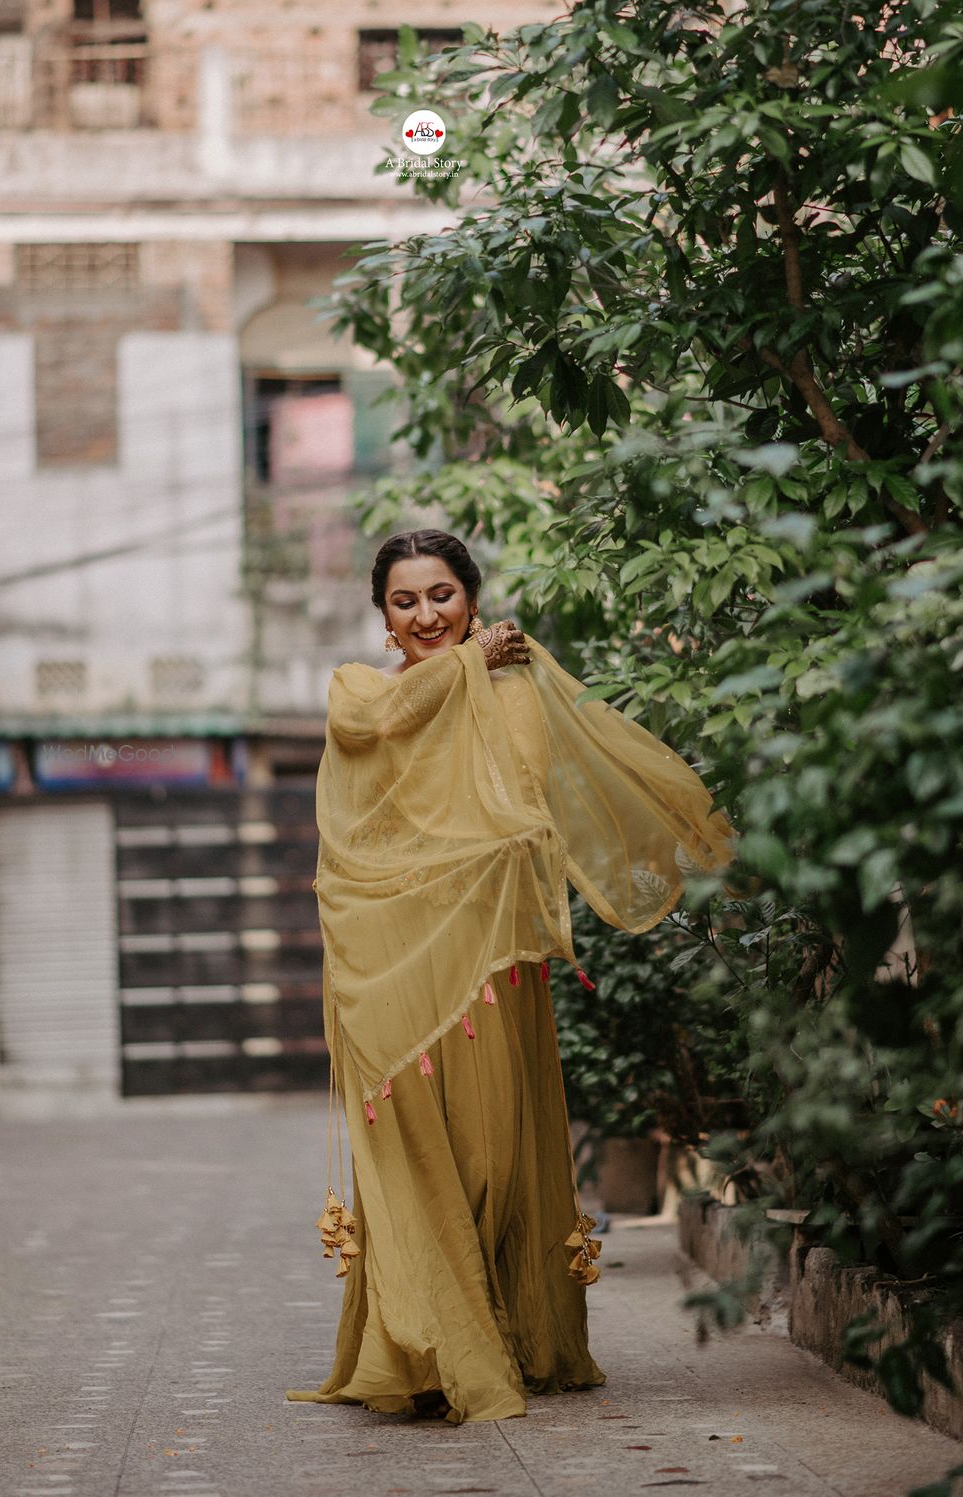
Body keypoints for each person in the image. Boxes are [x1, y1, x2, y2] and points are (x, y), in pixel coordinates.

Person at [285, 529, 735, 1425]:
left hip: (488, 962)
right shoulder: (357, 689)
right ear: (382, 617)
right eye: (405, 600)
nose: (425, 615)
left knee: (492, 1157)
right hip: (390, 972)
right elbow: (370, 731)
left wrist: (481, 681)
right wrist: (462, 673)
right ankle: (426, 1348)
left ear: (473, 598)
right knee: (414, 1161)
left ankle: (510, 1334)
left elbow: (519, 819)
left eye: (442, 594)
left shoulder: (512, 693)